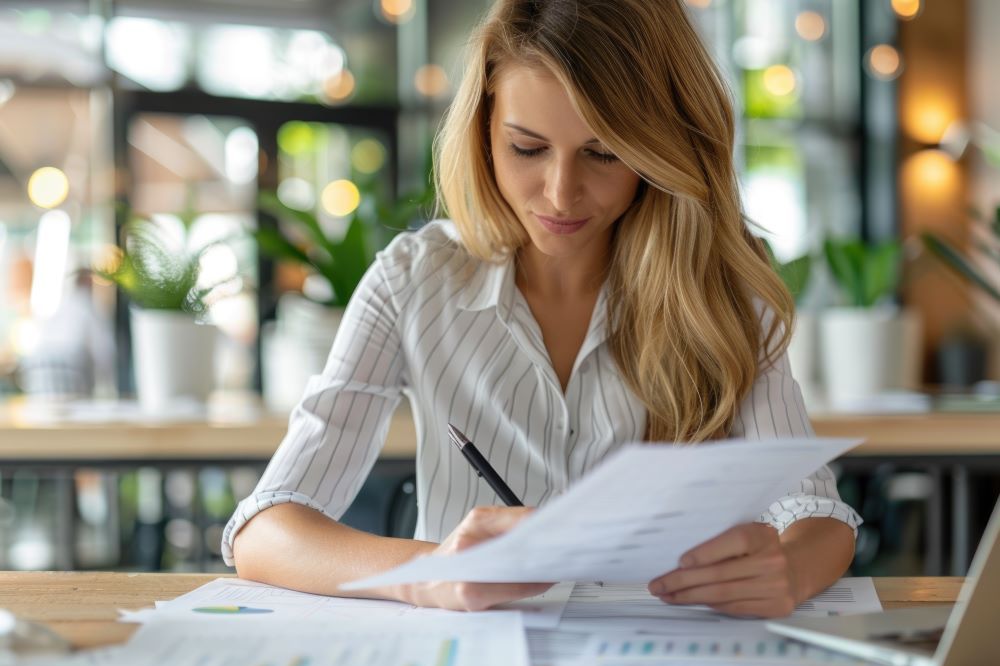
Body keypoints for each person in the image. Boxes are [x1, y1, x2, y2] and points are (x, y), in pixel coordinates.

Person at [226, 0, 861, 617]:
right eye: (527, 149)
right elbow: (265, 529)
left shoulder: (720, 287)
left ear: (660, 150)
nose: (561, 193)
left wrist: (790, 570)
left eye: (605, 153)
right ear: (483, 134)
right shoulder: (412, 279)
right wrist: (430, 575)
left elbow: (816, 514)